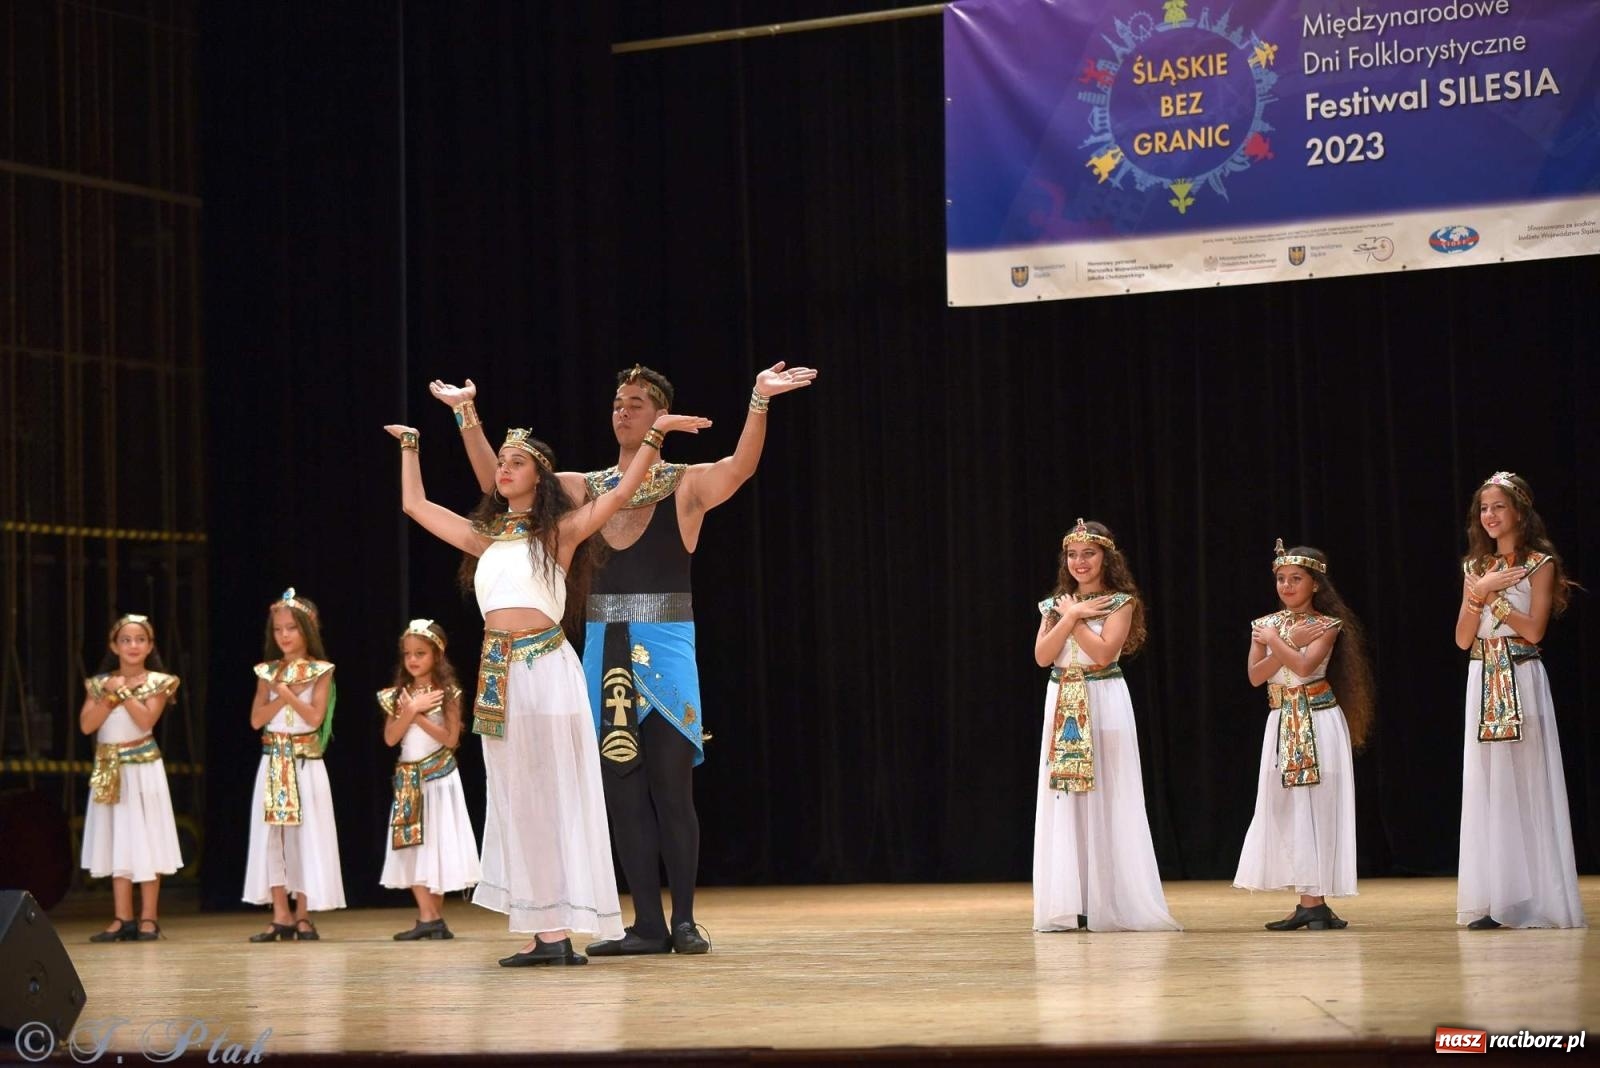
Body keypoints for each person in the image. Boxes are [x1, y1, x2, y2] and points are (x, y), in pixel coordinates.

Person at [429, 361, 816, 956]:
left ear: (660, 413)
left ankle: (683, 920)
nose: (622, 410)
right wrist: (467, 416)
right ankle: (645, 926)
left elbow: (741, 467)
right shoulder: (586, 486)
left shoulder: (687, 482)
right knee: (620, 784)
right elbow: (502, 482)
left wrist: (759, 400)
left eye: (636, 402)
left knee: (670, 783)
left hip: (666, 642)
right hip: (600, 645)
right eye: (617, 401)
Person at [384, 407, 709, 966]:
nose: (504, 470)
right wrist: (411, 446)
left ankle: (564, 928)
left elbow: (622, 490)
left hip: (545, 667)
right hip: (498, 672)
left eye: (516, 463)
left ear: (541, 476)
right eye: (501, 463)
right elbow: (415, 505)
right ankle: (545, 934)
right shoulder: (486, 536)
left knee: (555, 794)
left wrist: (655, 435)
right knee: (516, 800)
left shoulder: (559, 531)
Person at [1032, 519, 1179, 932]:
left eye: (1089, 554)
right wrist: (1071, 612)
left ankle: (1106, 900)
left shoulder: (1120, 603)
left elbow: (1102, 654)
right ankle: (1070, 900)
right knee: (1065, 798)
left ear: (1105, 558)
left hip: (1102, 699)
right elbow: (1044, 657)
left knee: (1106, 793)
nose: (1080, 562)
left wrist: (1075, 618)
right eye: (1073, 554)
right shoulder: (1055, 605)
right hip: (1062, 702)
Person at [1454, 472, 1584, 930]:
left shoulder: (1539, 563)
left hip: (1521, 673)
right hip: (1482, 674)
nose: (1489, 516)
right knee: (1489, 786)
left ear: (1519, 513)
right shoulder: (1476, 568)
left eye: (1498, 507)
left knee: (1526, 783)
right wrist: (1478, 595)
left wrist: (1495, 598)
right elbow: (1462, 638)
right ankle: (1496, 899)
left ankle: (1535, 901)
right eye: (1483, 509)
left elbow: (1534, 630)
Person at [1233, 540, 1374, 931]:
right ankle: (1308, 903)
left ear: (1315, 584)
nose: (1287, 586)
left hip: (1317, 717)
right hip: (1282, 719)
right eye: (1281, 579)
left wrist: (1279, 642)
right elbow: (1256, 676)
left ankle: (1316, 902)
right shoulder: (1264, 624)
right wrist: (1287, 640)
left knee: (1317, 804)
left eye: (1296, 579)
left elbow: (1305, 664)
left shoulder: (1326, 625)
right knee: (1290, 809)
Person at [242, 588, 346, 941]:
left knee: (306, 837)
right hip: (273, 761)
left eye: (291, 629)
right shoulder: (268, 671)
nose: (284, 636)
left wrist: (287, 694)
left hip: (304, 762)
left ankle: (303, 913)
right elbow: (257, 719)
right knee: (273, 838)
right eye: (278, 630)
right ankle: (280, 913)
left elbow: (315, 717)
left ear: (307, 630)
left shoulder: (321, 671)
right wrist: (279, 693)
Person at [80, 614, 184, 942]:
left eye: (140, 639)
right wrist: (110, 694)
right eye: (126, 640)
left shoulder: (158, 681)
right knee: (117, 838)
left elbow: (145, 720)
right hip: (111, 766)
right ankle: (122, 916)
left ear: (150, 645)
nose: (133, 645)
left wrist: (121, 692)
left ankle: (149, 917)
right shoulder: (99, 683)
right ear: (114, 646)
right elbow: (87, 725)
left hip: (142, 767)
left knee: (147, 836)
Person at [378, 618, 480, 940]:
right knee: (412, 849)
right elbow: (391, 738)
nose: (412, 659)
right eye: (408, 653)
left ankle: (430, 918)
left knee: (434, 847)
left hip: (438, 779)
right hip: (410, 781)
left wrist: (420, 715)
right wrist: (409, 710)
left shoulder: (448, 693)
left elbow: (450, 739)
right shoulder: (398, 696)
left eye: (420, 653)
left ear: (437, 655)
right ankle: (430, 918)